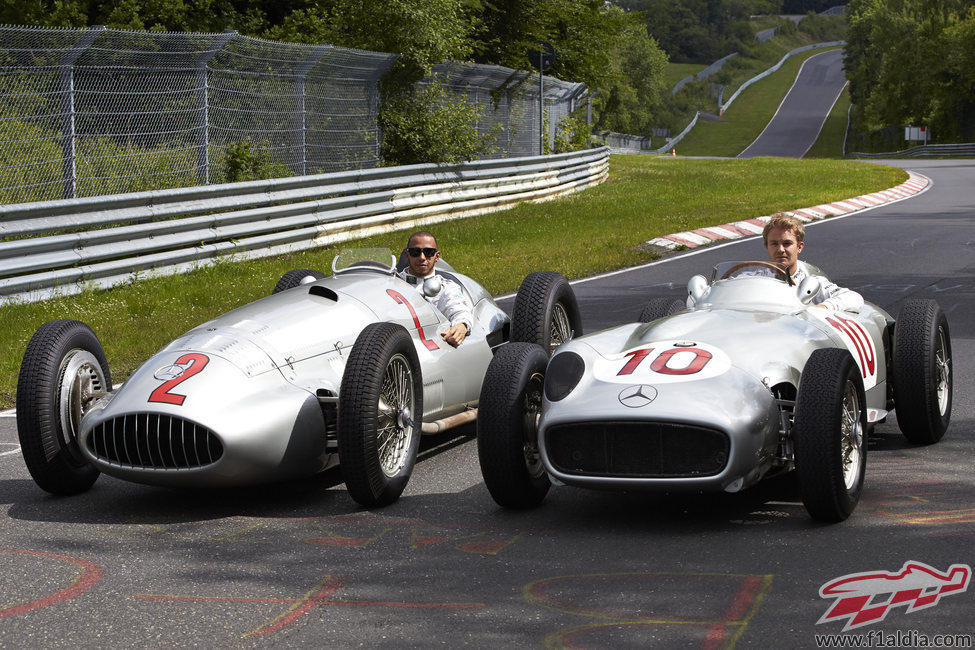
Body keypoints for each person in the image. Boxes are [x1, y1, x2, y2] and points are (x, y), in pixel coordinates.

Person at [763, 213, 863, 312]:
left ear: (799, 247)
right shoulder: (754, 278)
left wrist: (822, 308)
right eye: (774, 244)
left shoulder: (811, 281)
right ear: (767, 247)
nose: (780, 249)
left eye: (787, 244)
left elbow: (854, 298)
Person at [402, 231, 474, 347]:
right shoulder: (391, 283)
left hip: (430, 345)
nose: (422, 257)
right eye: (415, 252)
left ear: (437, 256)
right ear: (407, 255)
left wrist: (461, 326)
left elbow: (459, 310)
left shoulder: (447, 287)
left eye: (428, 252)